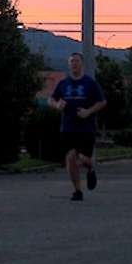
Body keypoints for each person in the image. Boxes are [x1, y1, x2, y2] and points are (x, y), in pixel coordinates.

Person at [48, 52, 107, 201]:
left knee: (83, 158)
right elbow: (51, 99)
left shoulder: (90, 83)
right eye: (72, 61)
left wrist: (88, 111)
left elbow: (102, 101)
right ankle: (77, 191)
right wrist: (57, 105)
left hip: (86, 128)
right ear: (69, 65)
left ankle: (90, 168)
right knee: (70, 157)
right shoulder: (63, 83)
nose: (74, 64)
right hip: (68, 127)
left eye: (77, 61)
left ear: (82, 64)